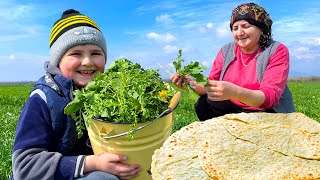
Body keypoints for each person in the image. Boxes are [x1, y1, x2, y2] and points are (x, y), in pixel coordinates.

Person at [11, 9, 141, 180]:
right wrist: (92, 164)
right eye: (75, 54)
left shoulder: (110, 94)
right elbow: (25, 167)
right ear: (58, 60)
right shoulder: (43, 99)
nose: (87, 62)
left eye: (95, 53)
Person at [171, 2, 295, 121]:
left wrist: (235, 92)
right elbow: (210, 86)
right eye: (235, 28)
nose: (240, 33)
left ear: (261, 29)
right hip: (234, 108)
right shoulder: (226, 51)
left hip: (265, 111)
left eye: (246, 26)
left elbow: (270, 98)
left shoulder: (276, 50)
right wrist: (191, 84)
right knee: (204, 103)